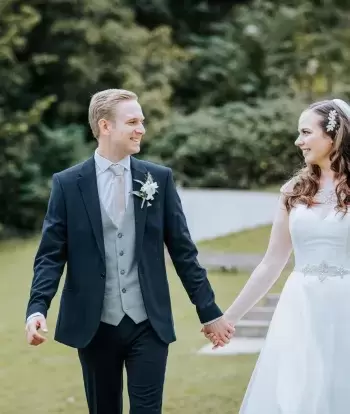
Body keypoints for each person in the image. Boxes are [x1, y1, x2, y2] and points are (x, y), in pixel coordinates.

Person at [25, 88, 234, 414]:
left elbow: (183, 251)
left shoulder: (158, 179)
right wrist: (37, 308)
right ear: (105, 126)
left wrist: (209, 311)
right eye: (133, 121)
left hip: (148, 323)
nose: (141, 129)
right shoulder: (67, 184)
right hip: (95, 326)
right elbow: (51, 254)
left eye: (142, 121)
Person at [205, 98, 350, 413]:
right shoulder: (293, 192)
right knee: (297, 394)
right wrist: (229, 319)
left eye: (305, 132)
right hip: (301, 307)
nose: (298, 141)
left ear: (333, 134)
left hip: (346, 305)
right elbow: (272, 263)